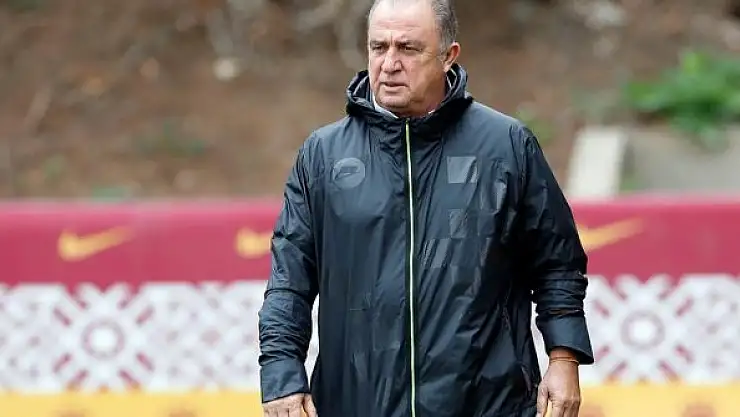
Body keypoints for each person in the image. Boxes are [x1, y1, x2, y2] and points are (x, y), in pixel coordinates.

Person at [257, 0, 594, 416]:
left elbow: (558, 264)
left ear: (448, 56)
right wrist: (281, 374)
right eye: (378, 47)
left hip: (488, 404)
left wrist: (564, 357)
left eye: (408, 48)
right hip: (357, 403)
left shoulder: (505, 147)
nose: (389, 64)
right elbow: (289, 281)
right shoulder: (323, 156)